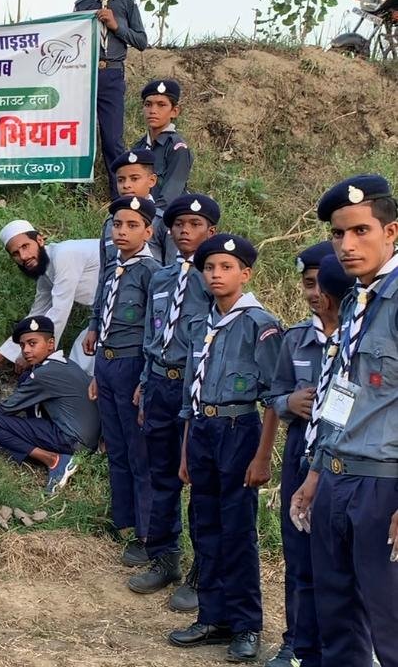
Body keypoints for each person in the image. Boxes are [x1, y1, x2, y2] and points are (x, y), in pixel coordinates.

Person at [290, 174, 398, 666]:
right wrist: (316, 472)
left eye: (360, 231)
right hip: (337, 479)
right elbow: (343, 393)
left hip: (383, 485)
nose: (347, 245)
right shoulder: (357, 299)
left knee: (390, 623)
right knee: (337, 620)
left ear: (390, 232)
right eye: (338, 234)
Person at [169, 233, 282, 663]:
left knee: (237, 530)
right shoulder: (201, 324)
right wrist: (185, 452)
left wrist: (262, 456)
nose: (216, 275)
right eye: (209, 268)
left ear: (245, 274)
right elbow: (190, 394)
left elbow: (274, 396)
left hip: (239, 430)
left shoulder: (259, 324)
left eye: (226, 268)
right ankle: (213, 617)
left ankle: (246, 624)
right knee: (205, 525)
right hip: (202, 429)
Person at [127, 194, 219, 612]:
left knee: (198, 479)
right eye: (179, 224)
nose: (184, 231)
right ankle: (166, 557)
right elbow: (152, 334)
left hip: (194, 387)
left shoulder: (215, 279)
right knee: (161, 474)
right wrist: (145, 383)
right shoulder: (162, 278)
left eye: (195, 225)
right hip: (161, 385)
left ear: (211, 232)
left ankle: (203, 571)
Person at [267, 245, 351, 667]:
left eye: (322, 284)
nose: (316, 293)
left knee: (336, 558)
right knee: (298, 551)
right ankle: (297, 643)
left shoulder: (357, 338)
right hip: (301, 450)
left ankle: (340, 647)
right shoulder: (296, 338)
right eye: (308, 284)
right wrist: (289, 402)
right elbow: (274, 393)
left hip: (342, 456)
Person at [87, 194, 160, 566]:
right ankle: (125, 520)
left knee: (138, 451)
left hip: (133, 365)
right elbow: (101, 304)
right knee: (115, 446)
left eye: (132, 225)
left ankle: (148, 533)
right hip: (107, 363)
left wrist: (144, 380)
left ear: (148, 231)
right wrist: (93, 332)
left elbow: (155, 330)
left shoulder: (152, 272)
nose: (122, 231)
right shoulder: (113, 263)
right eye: (117, 224)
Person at [0, 316, 100, 494]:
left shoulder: (43, 374)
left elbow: (5, 409)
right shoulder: (67, 363)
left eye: (32, 343)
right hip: (90, 442)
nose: (26, 350)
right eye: (23, 346)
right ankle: (35, 447)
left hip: (72, 441)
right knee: (25, 380)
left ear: (50, 344)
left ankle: (54, 460)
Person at [0, 220, 99, 376]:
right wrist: (0, 356)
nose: (23, 256)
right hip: (106, 310)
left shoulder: (64, 255)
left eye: (25, 246)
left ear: (40, 240)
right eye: (15, 254)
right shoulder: (44, 272)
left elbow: (59, 311)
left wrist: (35, 354)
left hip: (123, 300)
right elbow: (37, 315)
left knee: (84, 358)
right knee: (83, 360)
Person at [73, 0, 147, 187]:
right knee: (83, 137)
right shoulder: (82, 6)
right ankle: (80, 193)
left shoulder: (126, 4)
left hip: (112, 74)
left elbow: (141, 41)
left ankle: (120, 193)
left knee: (113, 138)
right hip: (85, 75)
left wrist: (116, 26)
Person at [132, 79, 192, 209]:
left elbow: (170, 197)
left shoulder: (177, 148)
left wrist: (150, 217)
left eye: (161, 105)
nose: (153, 110)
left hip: (166, 216)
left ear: (174, 111)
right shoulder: (139, 147)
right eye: (148, 104)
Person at [109, 148, 175, 264]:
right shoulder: (111, 221)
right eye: (121, 180)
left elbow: (172, 268)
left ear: (152, 180)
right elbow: (105, 268)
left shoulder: (163, 221)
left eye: (134, 179)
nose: (126, 185)